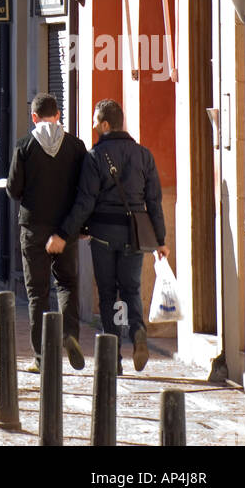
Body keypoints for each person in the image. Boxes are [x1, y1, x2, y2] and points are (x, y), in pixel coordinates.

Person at [46, 98, 170, 374]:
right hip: (135, 235)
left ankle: (112, 356)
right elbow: (154, 201)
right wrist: (160, 240)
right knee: (131, 289)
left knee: (108, 293)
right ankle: (137, 331)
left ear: (104, 124)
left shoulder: (94, 157)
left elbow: (85, 201)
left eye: (94, 120)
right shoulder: (144, 155)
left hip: (102, 235)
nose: (91, 125)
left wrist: (66, 232)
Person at [6, 93, 87, 373]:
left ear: (34, 117)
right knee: (66, 283)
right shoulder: (76, 147)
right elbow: (84, 190)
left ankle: (42, 358)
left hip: (33, 228)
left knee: (37, 292)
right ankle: (70, 335)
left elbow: (15, 189)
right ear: (59, 115)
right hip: (65, 229)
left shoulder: (24, 146)